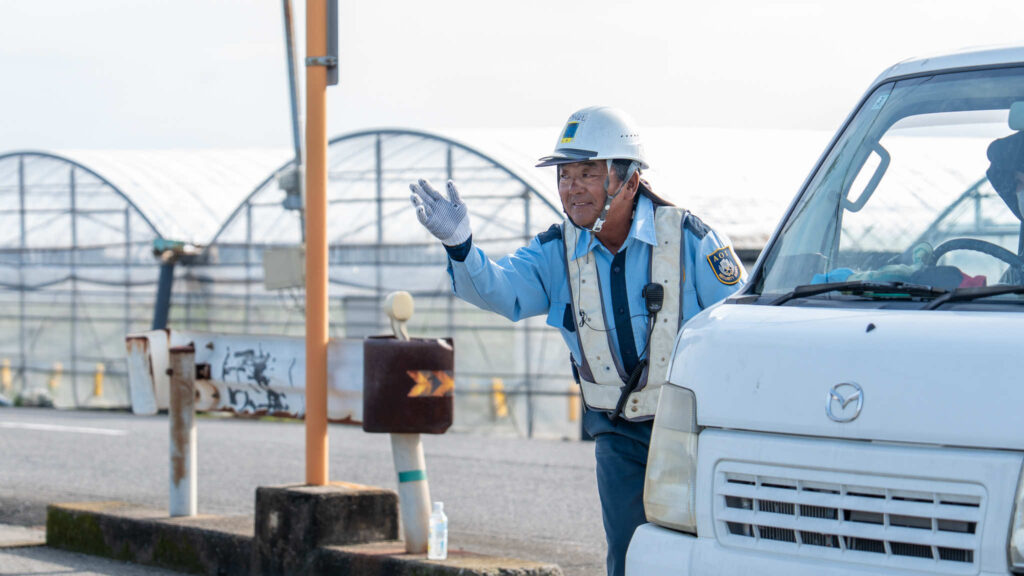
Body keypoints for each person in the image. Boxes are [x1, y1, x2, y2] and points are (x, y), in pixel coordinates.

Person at [409, 106, 747, 576]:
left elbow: (739, 325)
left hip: (691, 431)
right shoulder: (556, 250)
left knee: (703, 553)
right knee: (628, 559)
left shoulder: (689, 237)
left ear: (628, 181)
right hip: (617, 432)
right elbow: (503, 293)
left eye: (588, 173)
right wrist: (461, 246)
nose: (571, 186)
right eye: (565, 175)